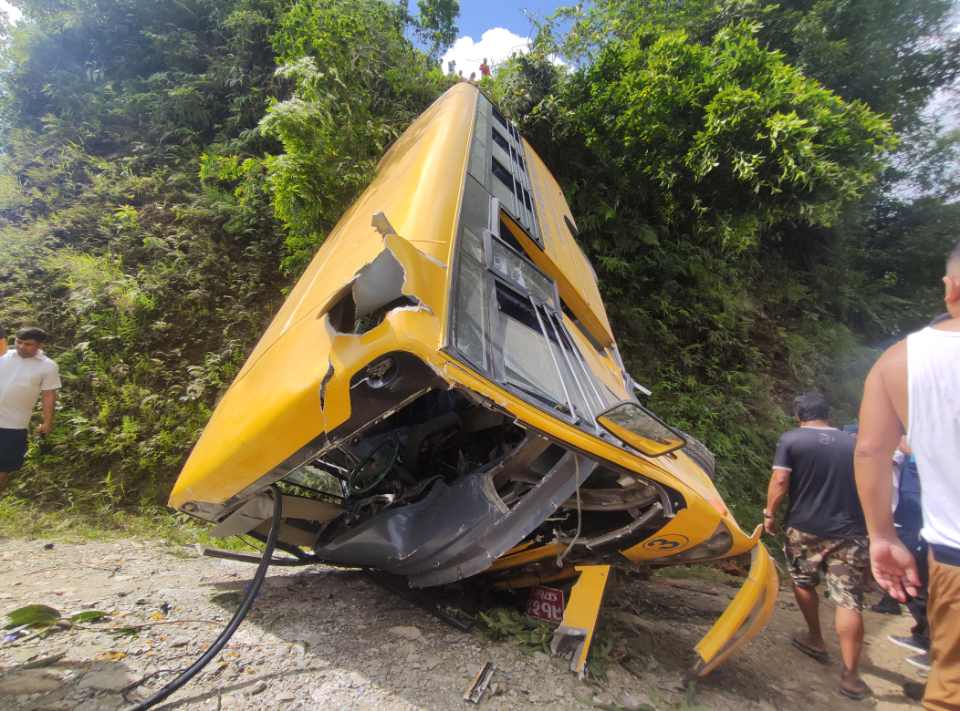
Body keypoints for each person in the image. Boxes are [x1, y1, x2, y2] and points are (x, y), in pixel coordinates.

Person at [855, 242, 960, 711]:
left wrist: (882, 535)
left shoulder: (898, 362)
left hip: (952, 556)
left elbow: (871, 450)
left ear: (951, 285)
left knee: (949, 691)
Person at [764, 392, 871, 700]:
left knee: (802, 582)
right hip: (850, 532)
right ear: (829, 415)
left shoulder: (792, 440)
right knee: (848, 599)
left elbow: (780, 481)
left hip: (805, 529)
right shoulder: (852, 443)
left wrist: (770, 514)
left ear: (799, 416)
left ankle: (815, 639)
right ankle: (851, 677)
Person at [0, 327, 61, 493]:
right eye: (18, 342)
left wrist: (47, 422)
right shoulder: (3, 355)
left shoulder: (48, 367)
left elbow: (48, 396)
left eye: (28, 344)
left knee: (2, 467)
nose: (21, 346)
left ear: (39, 345)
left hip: (13, 424)